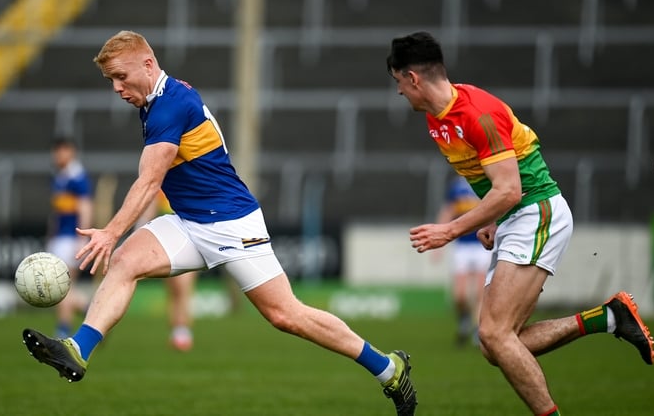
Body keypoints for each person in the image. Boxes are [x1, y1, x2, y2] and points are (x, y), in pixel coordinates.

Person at [22, 30, 417, 415]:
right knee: (125, 262)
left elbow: (150, 181)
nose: (116, 88)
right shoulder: (156, 99)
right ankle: (78, 349)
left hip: (232, 223)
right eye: (110, 80)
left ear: (148, 63)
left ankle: (387, 368)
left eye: (120, 77)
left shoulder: (169, 105)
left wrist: (110, 231)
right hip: (190, 221)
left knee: (286, 315)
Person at [386, 31, 654, 416]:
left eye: (398, 82)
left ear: (413, 78)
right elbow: (496, 185)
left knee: (495, 335)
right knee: (495, 344)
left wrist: (450, 229)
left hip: (536, 212)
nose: (398, 93)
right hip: (517, 216)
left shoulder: (477, 113)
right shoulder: (437, 119)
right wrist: (493, 216)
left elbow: (511, 190)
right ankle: (610, 318)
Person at [136, 190, 197, 352]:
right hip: (169, 239)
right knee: (174, 290)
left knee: (184, 287)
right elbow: (151, 208)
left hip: (190, 237)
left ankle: (184, 331)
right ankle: (177, 330)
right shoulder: (161, 188)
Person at [434, 174, 491, 347]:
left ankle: (477, 330)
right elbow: (447, 212)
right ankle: (464, 319)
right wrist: (439, 240)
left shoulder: (486, 182)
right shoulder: (457, 187)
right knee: (459, 295)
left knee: (480, 292)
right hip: (461, 246)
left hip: (482, 245)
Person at [46, 136, 93, 338]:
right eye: (56, 151)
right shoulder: (60, 177)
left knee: (62, 285)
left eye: (62, 150)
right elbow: (57, 213)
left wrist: (81, 238)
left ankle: (63, 330)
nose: (58, 155)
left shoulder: (77, 177)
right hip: (60, 239)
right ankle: (92, 313)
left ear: (71, 152)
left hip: (71, 239)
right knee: (60, 286)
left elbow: (86, 207)